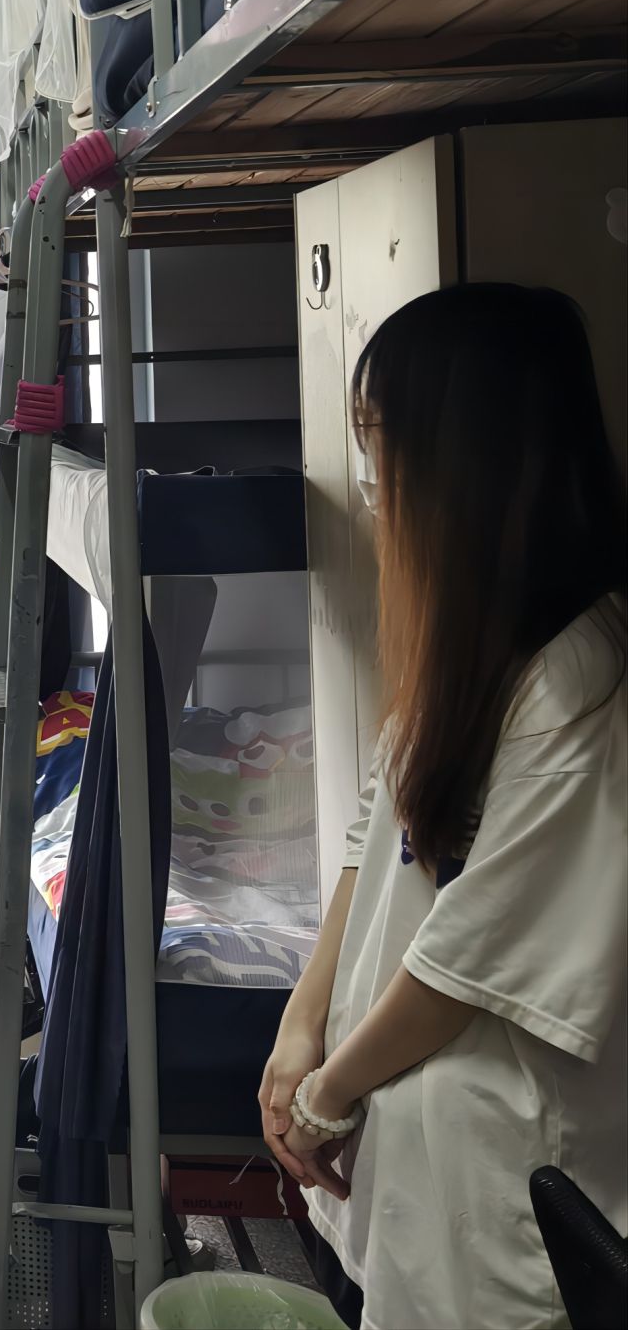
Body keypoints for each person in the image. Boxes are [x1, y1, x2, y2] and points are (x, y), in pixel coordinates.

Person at [260, 284, 627, 1330]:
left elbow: (468, 954)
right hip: (408, 1134)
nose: (370, 477)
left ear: (467, 455)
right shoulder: (475, 644)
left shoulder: (578, 678)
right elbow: (374, 831)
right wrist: (301, 1020)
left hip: (495, 1165)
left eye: (381, 437)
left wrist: (328, 1090)